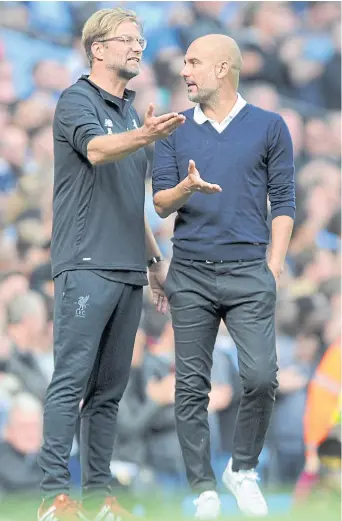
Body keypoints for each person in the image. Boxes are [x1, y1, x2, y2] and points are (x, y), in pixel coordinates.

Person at [37, 7, 185, 521]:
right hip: (85, 260)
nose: (138, 47)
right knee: (72, 380)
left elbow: (129, 200)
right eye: (127, 39)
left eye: (141, 40)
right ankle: (55, 497)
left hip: (126, 268)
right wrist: (145, 138)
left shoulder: (129, 112)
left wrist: (154, 261)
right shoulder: (76, 99)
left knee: (108, 392)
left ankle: (98, 496)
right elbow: (97, 153)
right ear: (97, 48)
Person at [152, 34, 295, 519]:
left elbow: (285, 200)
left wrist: (273, 267)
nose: (185, 71)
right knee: (191, 387)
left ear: (223, 69)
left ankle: (243, 468)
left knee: (259, 377)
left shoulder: (270, 126)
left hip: (250, 270)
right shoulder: (172, 129)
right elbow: (159, 203)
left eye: (194, 62)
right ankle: (203, 489)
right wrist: (185, 188)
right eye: (184, 62)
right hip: (189, 270)